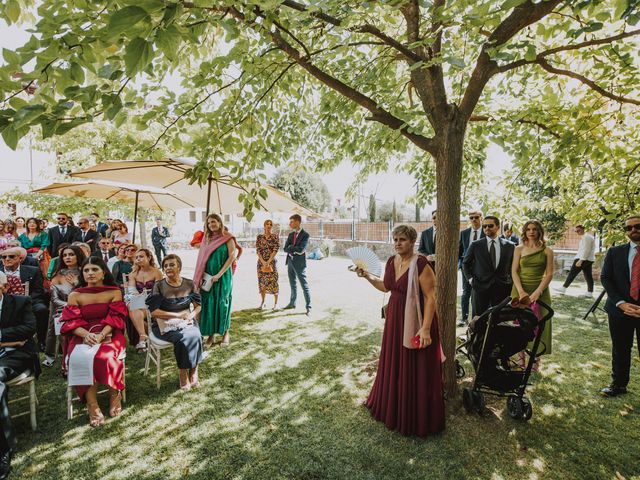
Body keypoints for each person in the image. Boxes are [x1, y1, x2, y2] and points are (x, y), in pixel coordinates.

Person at [355, 225, 444, 437]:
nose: (397, 242)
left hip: (416, 321)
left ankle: (416, 414)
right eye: (395, 239)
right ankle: (394, 408)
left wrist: (425, 329)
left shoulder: (421, 263)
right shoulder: (391, 261)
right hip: (395, 319)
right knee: (395, 361)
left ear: (412, 241)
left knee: (417, 365)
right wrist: (367, 275)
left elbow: (431, 297)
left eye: (402, 239)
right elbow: (386, 287)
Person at [60, 257, 126, 427]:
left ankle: (114, 394)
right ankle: (92, 404)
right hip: (82, 333)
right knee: (80, 359)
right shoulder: (75, 294)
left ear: (103, 272)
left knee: (105, 357)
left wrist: (102, 334)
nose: (90, 273)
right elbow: (70, 321)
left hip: (109, 331)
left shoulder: (114, 291)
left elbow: (116, 316)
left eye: (94, 269)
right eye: (86, 270)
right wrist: (85, 334)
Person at [0, 271, 41, 479]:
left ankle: (3, 450)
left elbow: (28, 328)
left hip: (15, 355)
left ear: (4, 288)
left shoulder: (20, 302)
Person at [147, 254, 203, 390]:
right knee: (181, 338)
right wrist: (177, 315)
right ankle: (183, 372)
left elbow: (198, 306)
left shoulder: (189, 284)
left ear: (179, 267)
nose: (168, 268)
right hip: (164, 323)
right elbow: (154, 312)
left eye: (171, 265)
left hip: (186, 321)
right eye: (165, 266)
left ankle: (194, 371)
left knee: (196, 335)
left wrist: (192, 315)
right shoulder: (159, 286)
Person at [599, 215, 640, 397]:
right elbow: (605, 278)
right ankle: (619, 385)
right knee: (621, 348)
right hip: (619, 309)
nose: (633, 230)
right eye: (629, 228)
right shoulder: (615, 252)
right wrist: (621, 303)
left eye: (637, 226)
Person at [511, 220, 554, 369]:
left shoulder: (547, 251)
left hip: (540, 290)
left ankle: (536, 359)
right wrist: (521, 291)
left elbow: (549, 274)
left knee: (540, 324)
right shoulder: (518, 249)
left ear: (539, 231)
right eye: (528, 229)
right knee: (519, 324)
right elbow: (514, 271)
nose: (531, 232)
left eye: (534, 229)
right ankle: (520, 357)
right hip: (520, 289)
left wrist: (538, 292)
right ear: (524, 231)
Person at [193, 214, 235, 347]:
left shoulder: (228, 237)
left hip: (223, 276)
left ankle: (225, 333)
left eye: (214, 221)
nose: (212, 224)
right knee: (209, 304)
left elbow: (232, 257)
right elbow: (201, 257)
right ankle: (210, 335)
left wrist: (219, 274)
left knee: (223, 303)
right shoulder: (207, 239)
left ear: (219, 222)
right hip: (207, 277)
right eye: (209, 223)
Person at [462, 215, 515, 317]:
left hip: (502, 287)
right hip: (480, 287)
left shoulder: (510, 246)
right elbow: (465, 263)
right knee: (478, 319)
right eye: (484, 226)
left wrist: (511, 282)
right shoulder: (475, 245)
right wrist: (470, 279)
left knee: (499, 319)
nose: (487, 228)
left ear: (498, 227)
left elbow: (513, 267)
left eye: (490, 226)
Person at [43, 245, 86, 369]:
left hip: (84, 307)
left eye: (71, 254)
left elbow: (89, 292)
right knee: (62, 321)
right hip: (63, 309)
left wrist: (77, 284)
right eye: (65, 255)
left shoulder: (86, 272)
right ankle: (67, 358)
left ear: (78, 255)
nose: (67, 257)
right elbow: (55, 299)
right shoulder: (58, 275)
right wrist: (70, 305)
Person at [0, 247, 50, 352]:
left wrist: (25, 302)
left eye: (11, 256)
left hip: (29, 300)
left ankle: (41, 341)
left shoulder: (32, 270)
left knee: (42, 310)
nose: (7, 259)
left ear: (20, 258)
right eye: (3, 257)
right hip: (3, 301)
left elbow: (38, 291)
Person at [126, 248, 162, 352]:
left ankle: (144, 337)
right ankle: (143, 336)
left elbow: (158, 291)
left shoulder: (156, 272)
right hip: (139, 301)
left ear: (149, 257)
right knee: (133, 306)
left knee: (133, 309)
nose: (138, 259)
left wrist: (145, 298)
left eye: (141, 256)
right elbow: (132, 290)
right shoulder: (133, 274)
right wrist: (139, 297)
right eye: (136, 257)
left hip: (154, 301)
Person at [458, 210, 485, 326]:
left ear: (481, 218)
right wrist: (462, 263)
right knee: (466, 292)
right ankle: (464, 318)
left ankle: (479, 317)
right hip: (466, 268)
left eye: (476, 217)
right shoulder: (464, 233)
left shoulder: (486, 232)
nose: (473, 219)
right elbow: (459, 251)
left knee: (480, 293)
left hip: (482, 269)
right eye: (471, 217)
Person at [283, 214, 311, 315]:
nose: (290, 224)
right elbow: (285, 248)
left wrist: (291, 248)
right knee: (292, 284)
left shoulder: (305, 235)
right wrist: (293, 248)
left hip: (299, 263)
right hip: (290, 262)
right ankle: (292, 303)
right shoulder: (291, 235)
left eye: (291, 222)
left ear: (297, 222)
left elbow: (301, 249)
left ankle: (308, 307)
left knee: (304, 285)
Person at [556, 224, 596, 297]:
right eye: (576, 231)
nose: (577, 232)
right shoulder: (586, 237)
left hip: (583, 259)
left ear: (583, 229)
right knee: (588, 275)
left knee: (572, 273)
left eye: (579, 230)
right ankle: (590, 292)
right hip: (588, 259)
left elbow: (586, 250)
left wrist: (581, 260)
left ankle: (563, 288)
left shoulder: (587, 237)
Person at [256, 219, 280, 309]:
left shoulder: (275, 237)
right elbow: (258, 249)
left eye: (270, 224)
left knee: (274, 281)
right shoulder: (259, 237)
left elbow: (275, 249)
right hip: (261, 262)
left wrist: (269, 261)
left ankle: (276, 303)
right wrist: (263, 261)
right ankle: (263, 302)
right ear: (264, 225)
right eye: (267, 224)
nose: (269, 225)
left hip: (272, 262)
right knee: (262, 282)